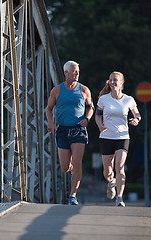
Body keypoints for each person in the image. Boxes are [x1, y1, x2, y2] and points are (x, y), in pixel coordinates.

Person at [46, 60, 94, 205]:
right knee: (65, 166)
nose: (77, 73)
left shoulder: (84, 90)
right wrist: (50, 122)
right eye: (74, 71)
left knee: (78, 163)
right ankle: (70, 169)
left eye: (78, 71)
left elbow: (91, 107)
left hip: (78, 129)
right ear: (66, 73)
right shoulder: (56, 90)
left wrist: (87, 118)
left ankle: (73, 195)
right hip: (62, 130)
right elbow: (49, 109)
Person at [95, 71, 141, 207]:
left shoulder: (129, 99)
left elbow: (137, 114)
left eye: (115, 80)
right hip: (106, 136)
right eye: (110, 80)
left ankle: (119, 198)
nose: (112, 82)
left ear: (121, 83)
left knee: (119, 167)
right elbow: (98, 115)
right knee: (107, 171)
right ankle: (111, 182)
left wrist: (136, 120)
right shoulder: (103, 99)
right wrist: (99, 125)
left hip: (122, 136)